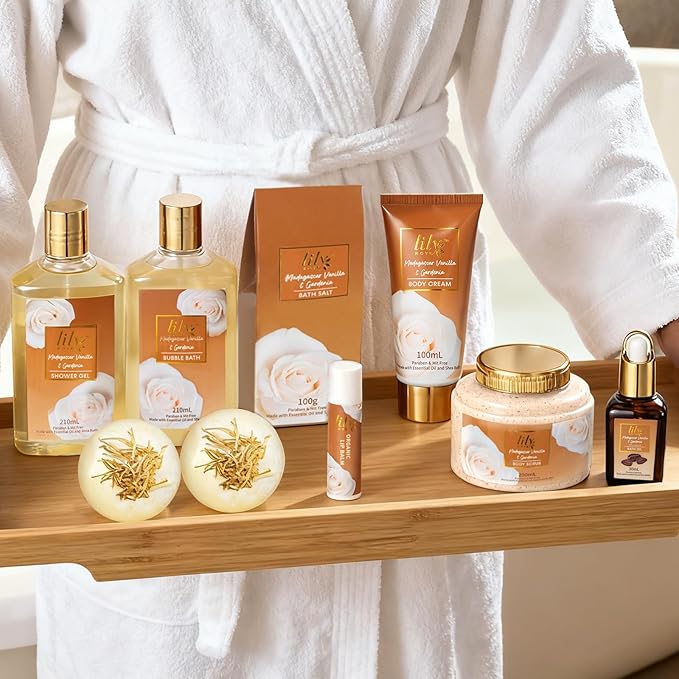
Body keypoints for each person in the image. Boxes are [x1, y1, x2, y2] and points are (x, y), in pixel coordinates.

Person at [1, 1, 678, 677]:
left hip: (401, 269)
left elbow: (562, 92)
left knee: (414, 597)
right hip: (159, 257)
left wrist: (658, 301)